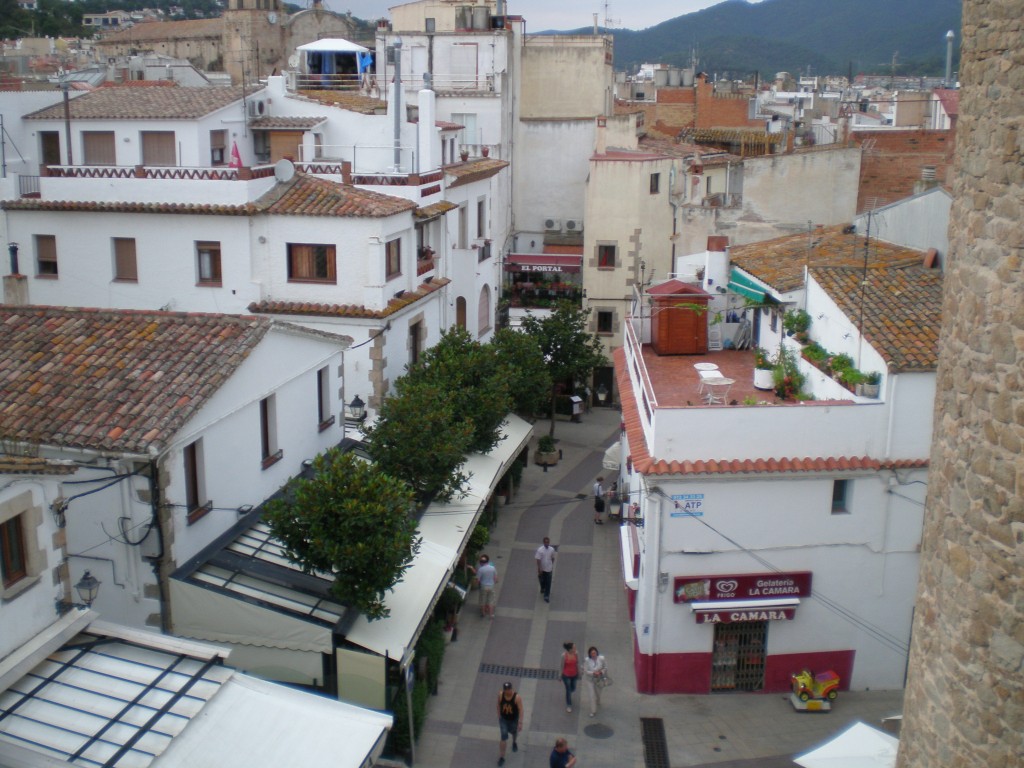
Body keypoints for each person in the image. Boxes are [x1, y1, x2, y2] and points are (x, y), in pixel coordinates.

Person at [497, 681, 524, 766]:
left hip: (513, 720)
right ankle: (502, 757)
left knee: (514, 733)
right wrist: (499, 716)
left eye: (509, 689)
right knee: (503, 737)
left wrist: (520, 722)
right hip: (504, 720)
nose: (507, 691)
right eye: (506, 690)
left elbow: (521, 710)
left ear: (511, 689)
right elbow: (498, 705)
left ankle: (514, 742)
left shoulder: (517, 697)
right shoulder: (501, 695)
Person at [582, 646, 608, 717]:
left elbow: (605, 668)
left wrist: (600, 672)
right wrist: (593, 673)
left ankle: (598, 700)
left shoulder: (602, 658)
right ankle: (593, 711)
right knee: (591, 695)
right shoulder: (587, 660)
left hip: (599, 679)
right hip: (590, 680)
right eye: (592, 653)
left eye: (594, 653)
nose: (593, 655)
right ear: (589, 654)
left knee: (598, 693)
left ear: (597, 652)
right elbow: (585, 670)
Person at [475, 554, 498, 619]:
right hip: (491, 586)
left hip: (483, 586)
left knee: (482, 600)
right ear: (488, 561)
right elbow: (495, 578)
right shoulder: (493, 568)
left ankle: (483, 613)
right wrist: (494, 582)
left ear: (481, 562)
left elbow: (478, 580)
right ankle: (491, 615)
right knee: (491, 600)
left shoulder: (480, 569)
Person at [535, 537, 556, 603]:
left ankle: (546, 595)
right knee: (542, 580)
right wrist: (539, 568)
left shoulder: (552, 549)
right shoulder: (540, 550)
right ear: (544, 542)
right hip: (542, 568)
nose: (547, 543)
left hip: (549, 569)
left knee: (548, 582)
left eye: (548, 542)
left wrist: (551, 564)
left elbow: (553, 558)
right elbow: (538, 559)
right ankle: (542, 587)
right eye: (546, 542)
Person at [560, 642, 580, 712]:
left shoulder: (576, 654)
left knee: (573, 688)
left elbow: (577, 663)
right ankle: (569, 705)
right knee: (568, 690)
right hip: (566, 675)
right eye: (574, 648)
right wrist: (560, 676)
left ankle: (569, 693)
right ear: (570, 649)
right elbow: (562, 666)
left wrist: (579, 673)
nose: (575, 649)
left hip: (574, 674)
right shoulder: (564, 655)